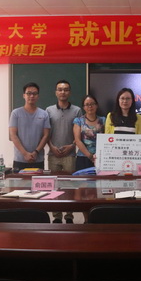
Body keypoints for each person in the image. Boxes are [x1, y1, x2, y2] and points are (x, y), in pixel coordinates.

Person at [46, 79, 82, 223]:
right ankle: (56, 216)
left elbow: (79, 133)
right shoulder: (48, 110)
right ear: (56, 92)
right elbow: (46, 133)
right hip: (53, 154)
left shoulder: (77, 110)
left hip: (70, 154)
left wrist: (72, 146)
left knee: (69, 186)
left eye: (66, 89)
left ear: (69, 92)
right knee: (54, 185)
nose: (63, 92)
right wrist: (51, 147)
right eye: (60, 89)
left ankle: (69, 216)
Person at [9, 82, 50, 171]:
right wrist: (25, 154)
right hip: (20, 159)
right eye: (29, 93)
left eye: (34, 93)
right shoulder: (15, 113)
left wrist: (36, 152)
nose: (32, 96)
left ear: (38, 96)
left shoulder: (44, 114)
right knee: (19, 180)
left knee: (37, 180)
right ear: (24, 95)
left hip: (38, 158)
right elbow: (13, 135)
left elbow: (46, 135)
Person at [73, 95, 105, 170]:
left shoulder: (103, 120)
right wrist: (90, 156)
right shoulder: (78, 121)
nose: (90, 106)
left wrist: (96, 156)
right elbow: (77, 140)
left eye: (92, 104)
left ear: (97, 105)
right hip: (83, 157)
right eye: (87, 104)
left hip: (100, 157)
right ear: (83, 107)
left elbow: (106, 139)